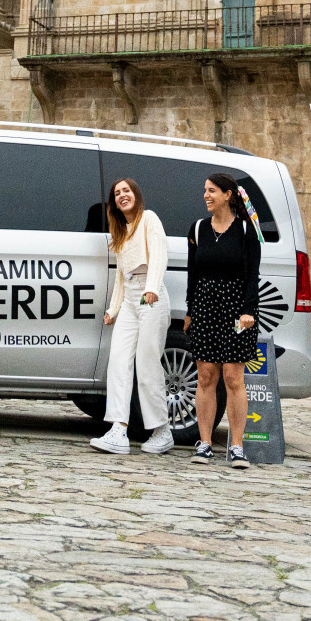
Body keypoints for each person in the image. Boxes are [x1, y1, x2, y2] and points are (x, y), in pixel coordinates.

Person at [91, 178, 174, 456]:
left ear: (136, 194)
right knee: (118, 362)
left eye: (126, 190)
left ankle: (162, 431)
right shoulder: (120, 232)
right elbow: (120, 278)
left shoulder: (149, 219)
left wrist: (151, 287)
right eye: (117, 193)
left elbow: (160, 254)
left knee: (148, 363)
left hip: (151, 296)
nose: (122, 195)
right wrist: (112, 310)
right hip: (129, 300)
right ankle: (118, 429)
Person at [184, 173, 262, 470]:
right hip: (205, 307)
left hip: (235, 310)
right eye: (204, 190)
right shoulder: (198, 228)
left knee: (233, 377)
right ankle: (204, 443)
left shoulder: (245, 229)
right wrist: (190, 310)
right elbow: (193, 273)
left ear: (228, 195)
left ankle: (237, 446)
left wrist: (248, 311)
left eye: (212, 191)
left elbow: (252, 274)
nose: (206, 195)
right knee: (205, 377)